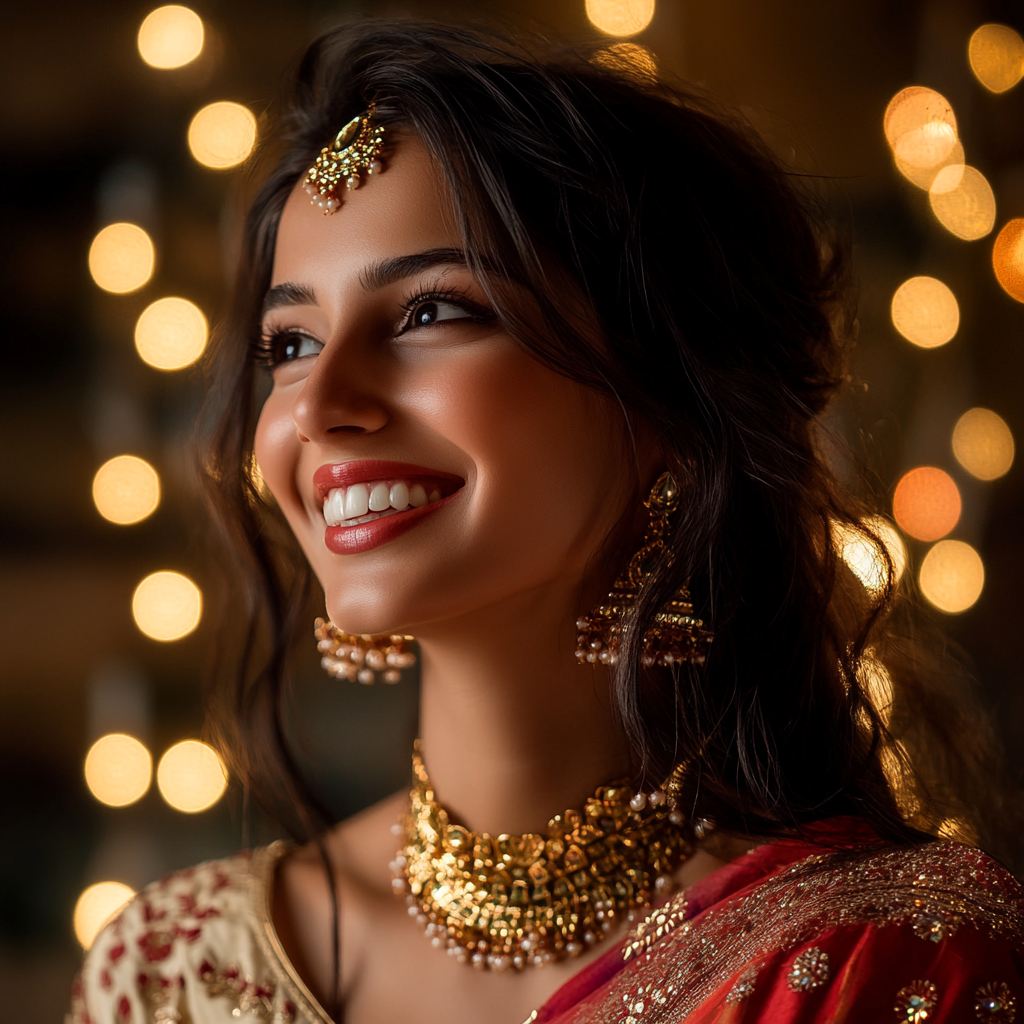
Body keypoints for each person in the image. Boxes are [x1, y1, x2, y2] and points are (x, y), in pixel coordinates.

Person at [68, 20, 1023, 1024]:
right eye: (290, 341)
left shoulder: (878, 961)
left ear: (673, 406)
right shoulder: (169, 972)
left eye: (433, 311)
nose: (315, 405)